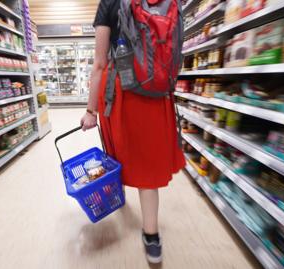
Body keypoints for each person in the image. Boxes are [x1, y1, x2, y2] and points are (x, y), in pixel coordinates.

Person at [80, 0, 185, 264]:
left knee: (119, 150)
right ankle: (151, 236)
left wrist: (91, 110)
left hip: (121, 92)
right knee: (148, 167)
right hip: (157, 92)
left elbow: (100, 63)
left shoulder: (110, 3)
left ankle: (119, 195)